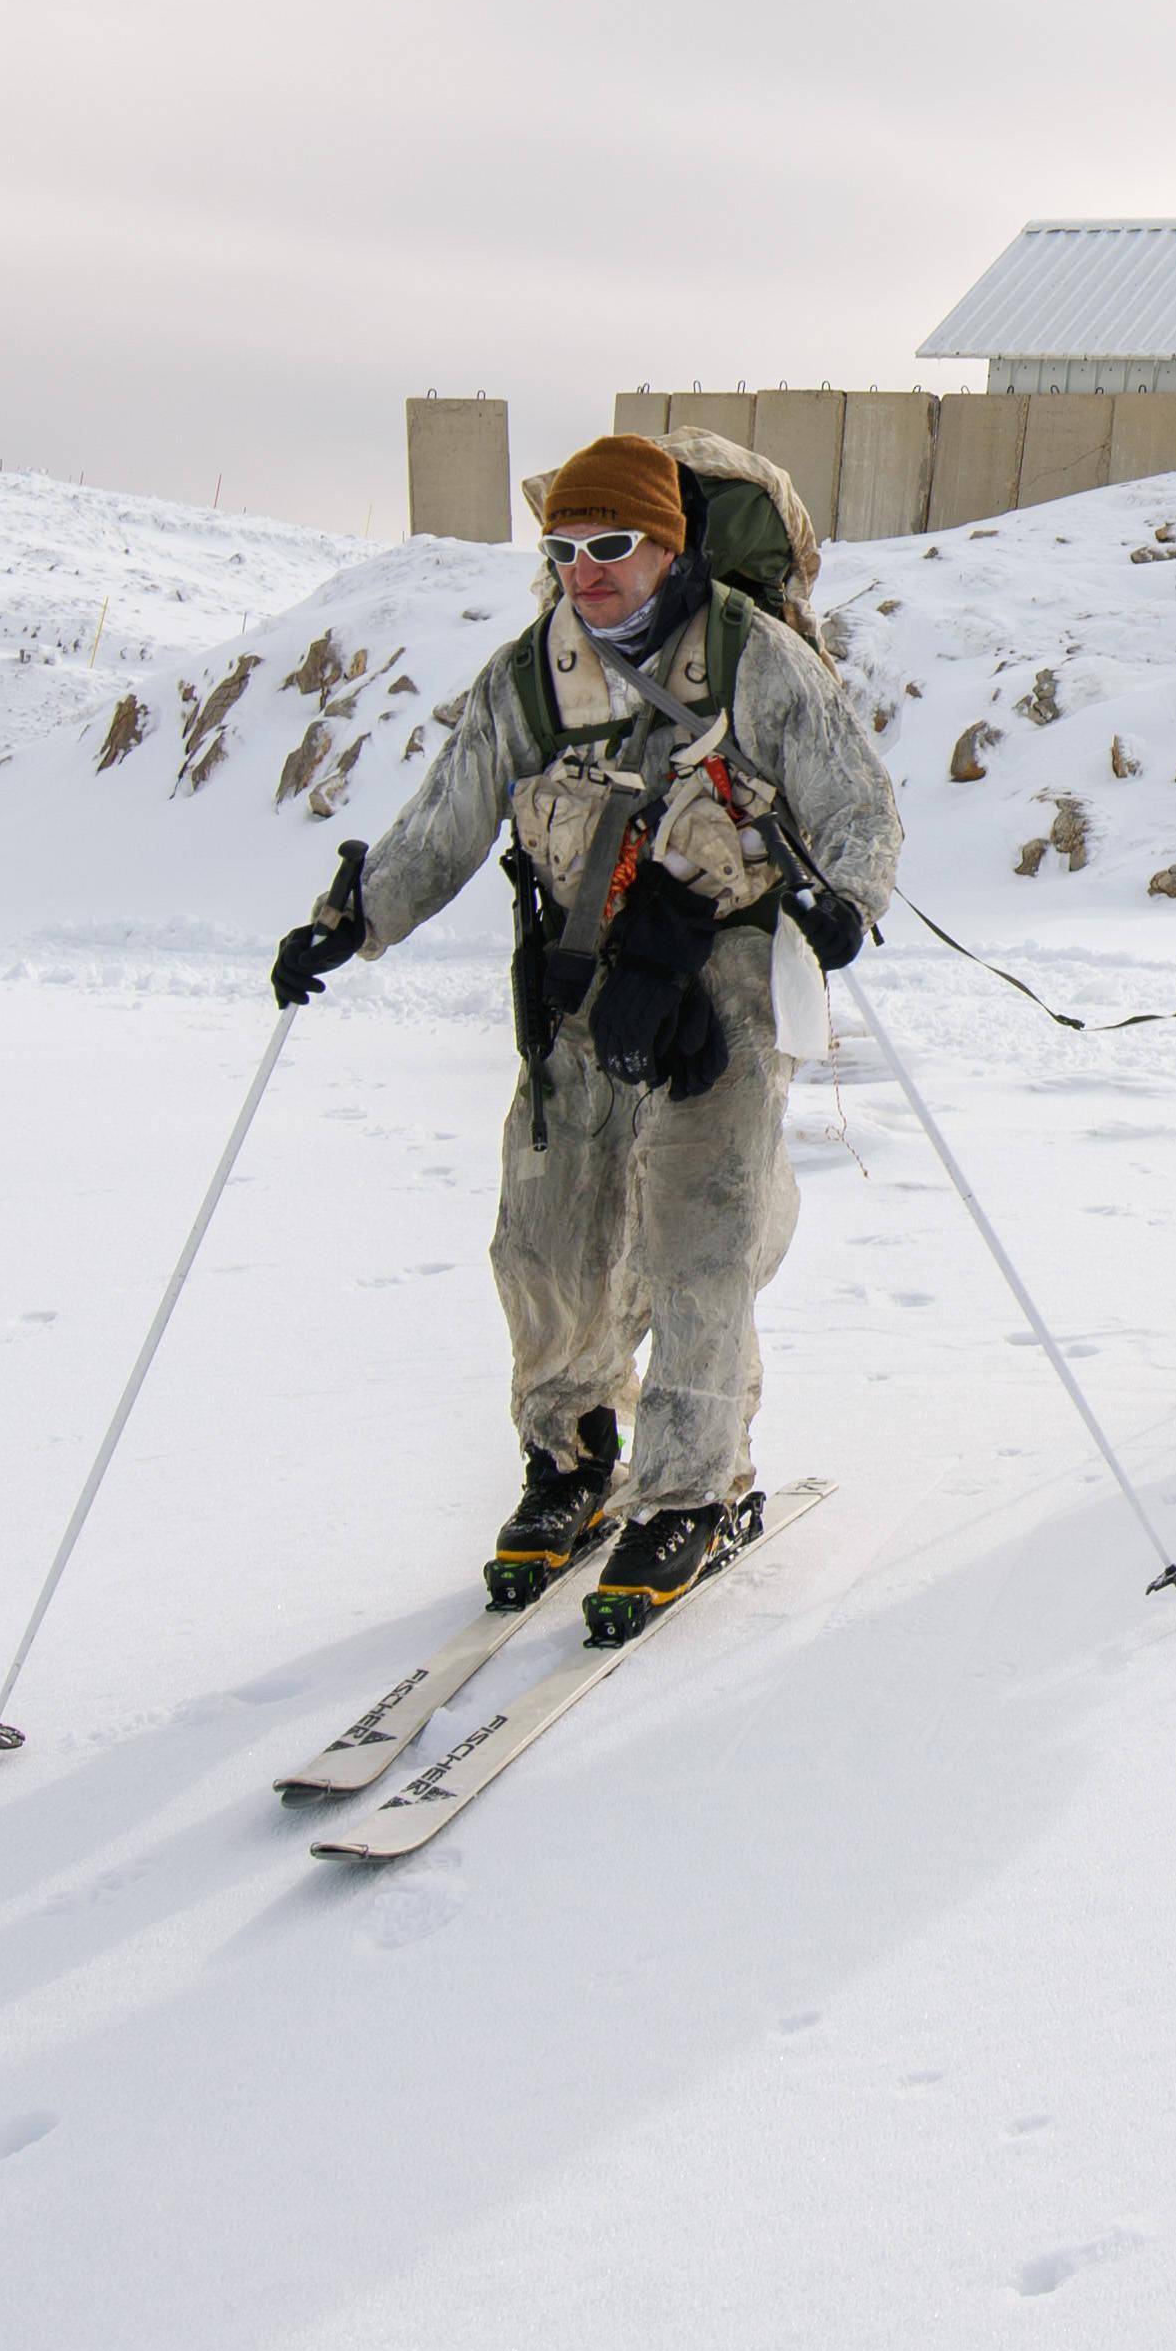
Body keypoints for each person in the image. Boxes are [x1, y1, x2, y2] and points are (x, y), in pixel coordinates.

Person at [268, 432, 900, 1641]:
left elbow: (854, 796)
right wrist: (350, 923)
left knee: (698, 1244)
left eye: (612, 545)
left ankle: (690, 1488)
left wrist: (845, 900)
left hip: (717, 990)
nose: (587, 570)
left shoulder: (749, 657)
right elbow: (445, 818)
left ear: (669, 542)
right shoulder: (530, 676)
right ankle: (569, 1455)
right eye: (564, 549)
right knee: (548, 1239)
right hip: (574, 983)